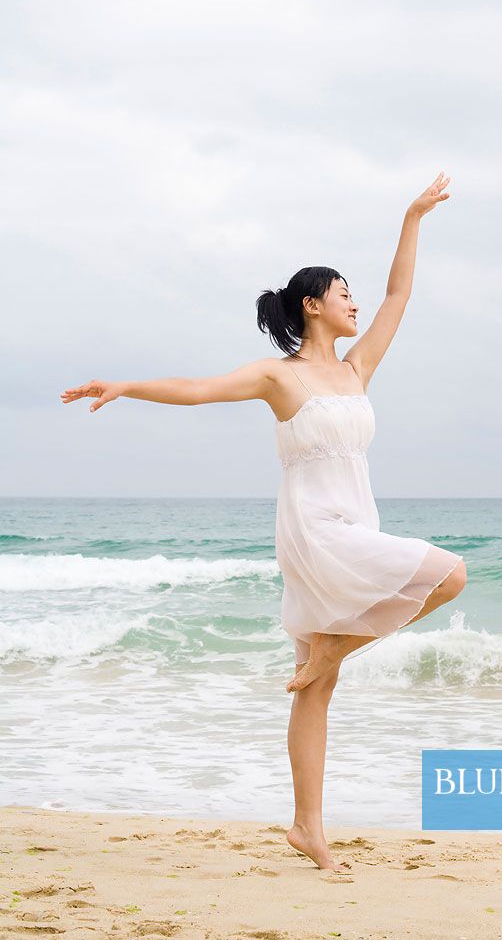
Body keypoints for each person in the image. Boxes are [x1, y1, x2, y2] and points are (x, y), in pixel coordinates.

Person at [59, 170, 467, 873]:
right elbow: (197, 389)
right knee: (449, 574)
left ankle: (308, 824)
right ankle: (331, 656)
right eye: (343, 295)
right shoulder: (280, 377)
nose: (355, 304)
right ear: (313, 305)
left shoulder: (358, 367)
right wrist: (126, 385)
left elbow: (400, 295)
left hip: (357, 521)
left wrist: (413, 216)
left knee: (317, 681)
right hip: (314, 528)